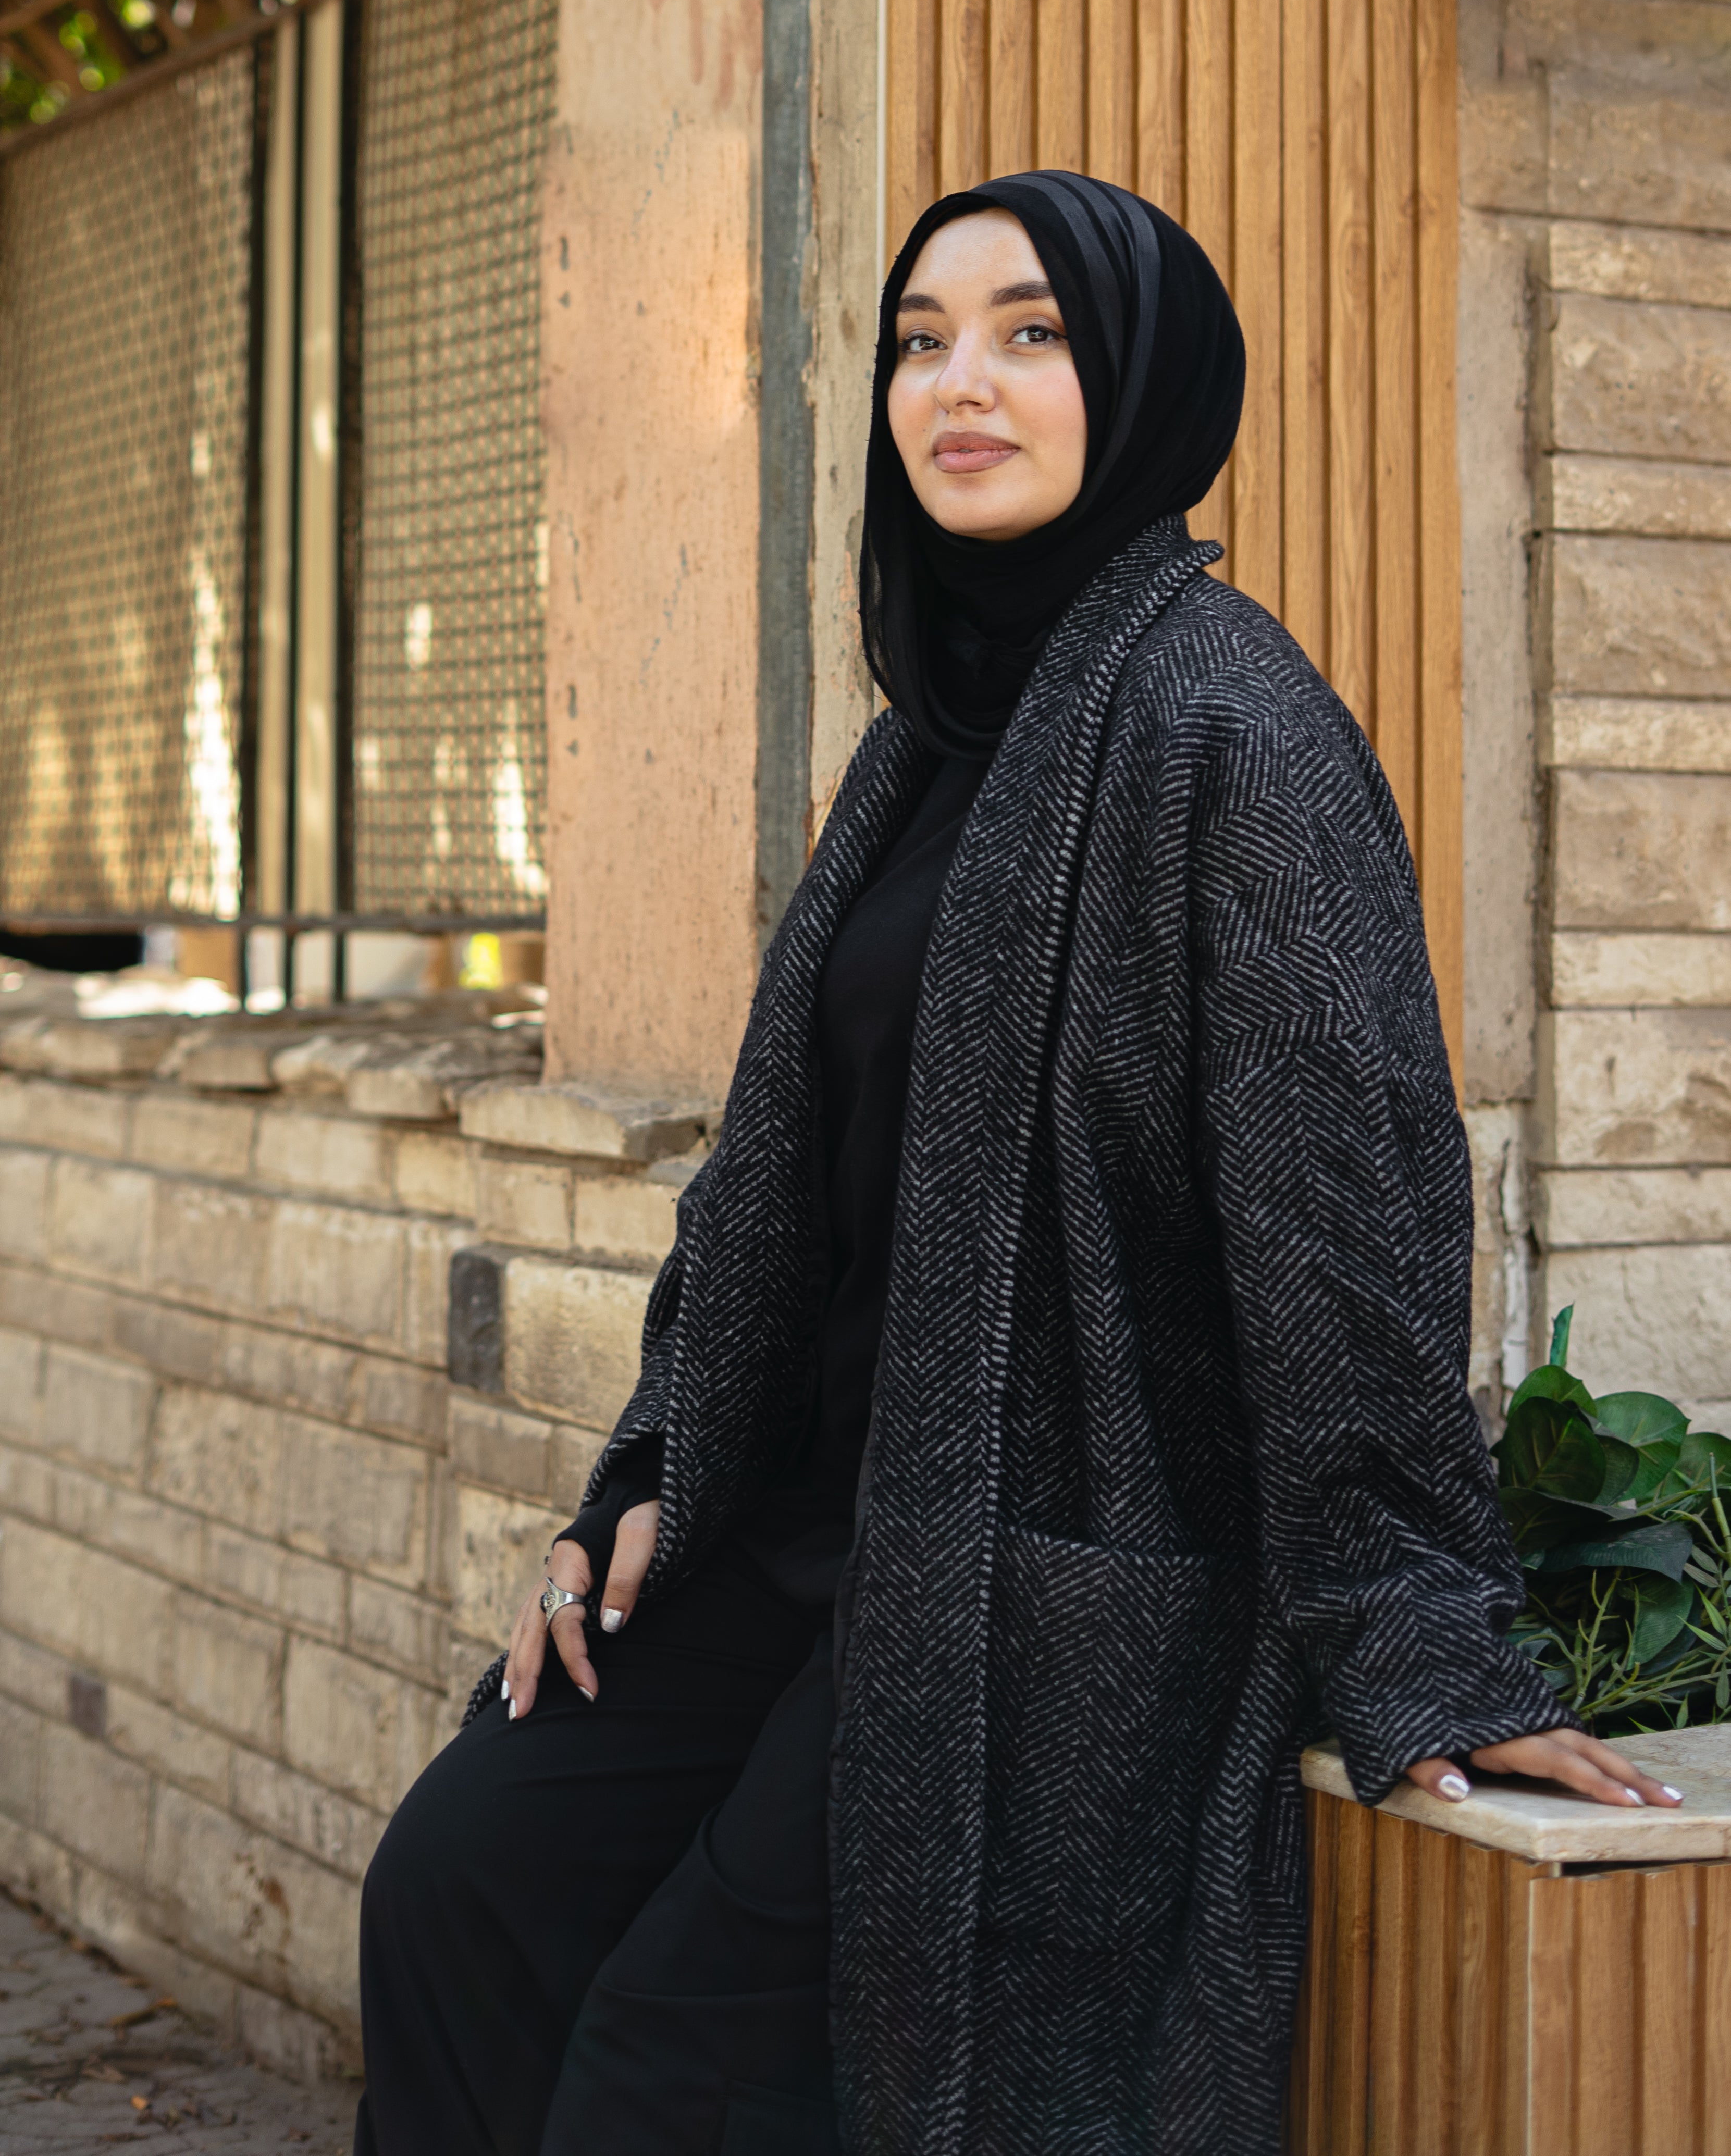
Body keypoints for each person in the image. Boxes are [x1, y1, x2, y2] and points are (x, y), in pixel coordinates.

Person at [353, 171, 1677, 2156]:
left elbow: (1349, 1224)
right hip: (807, 1532)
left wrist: (1425, 1641)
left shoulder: (1234, 732)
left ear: (1140, 380)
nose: (957, 383)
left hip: (1033, 1580)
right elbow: (779, 1180)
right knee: (463, 1887)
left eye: (1031, 333)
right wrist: (650, 1467)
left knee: (678, 2071)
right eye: (919, 338)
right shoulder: (926, 737)